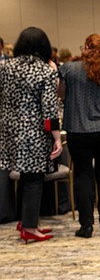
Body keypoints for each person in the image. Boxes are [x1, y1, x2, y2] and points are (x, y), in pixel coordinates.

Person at [59, 33, 100, 238]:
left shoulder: (70, 69)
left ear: (87, 48)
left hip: (79, 128)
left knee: (83, 175)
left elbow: (61, 94)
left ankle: (86, 226)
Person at [0, 27, 63, 243]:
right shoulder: (45, 71)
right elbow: (49, 108)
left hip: (8, 129)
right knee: (34, 178)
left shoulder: (4, 67)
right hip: (33, 132)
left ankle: (26, 220)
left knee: (23, 176)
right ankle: (29, 227)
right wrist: (56, 138)